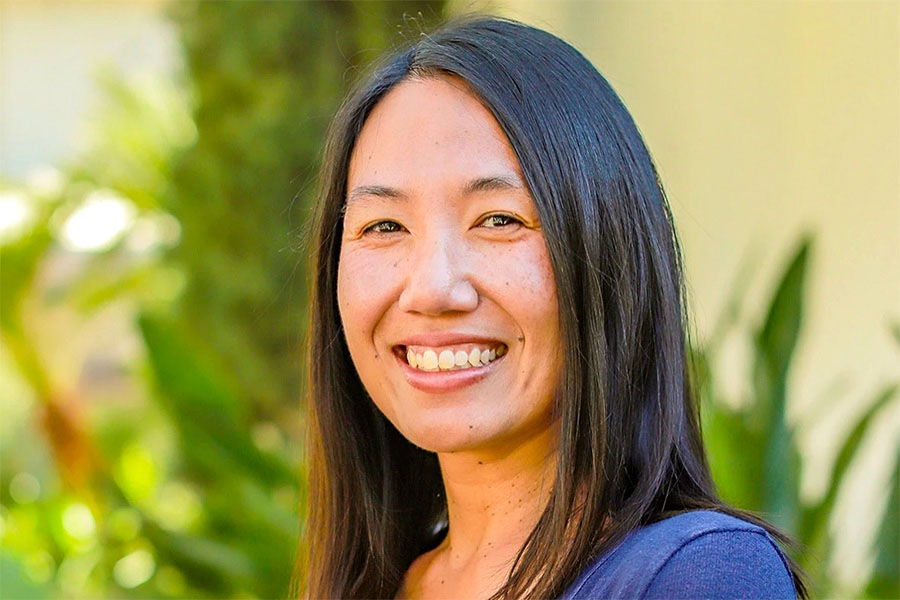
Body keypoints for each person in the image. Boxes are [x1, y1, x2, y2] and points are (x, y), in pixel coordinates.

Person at [300, 16, 807, 600]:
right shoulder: (370, 585)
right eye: (385, 226)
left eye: (499, 220)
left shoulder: (700, 576)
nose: (432, 289)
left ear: (608, 254)